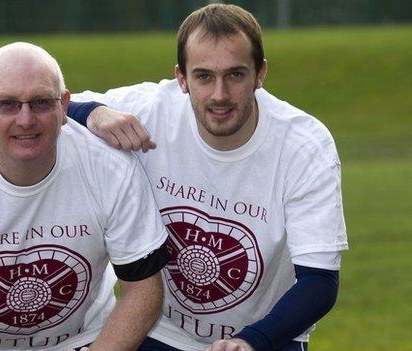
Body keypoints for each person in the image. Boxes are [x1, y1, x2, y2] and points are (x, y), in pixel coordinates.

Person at [68, 4, 349, 351]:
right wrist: (94, 114)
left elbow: (319, 282)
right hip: (159, 329)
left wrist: (248, 342)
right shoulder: (150, 108)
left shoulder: (304, 146)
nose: (219, 95)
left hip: (266, 335)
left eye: (235, 74)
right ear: (181, 78)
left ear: (260, 73)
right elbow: (50, 105)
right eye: (203, 76)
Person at [0, 42, 169, 351]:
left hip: (86, 341)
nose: (25, 120)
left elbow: (143, 291)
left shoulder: (112, 170)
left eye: (40, 102)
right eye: (7, 104)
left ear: (64, 106)